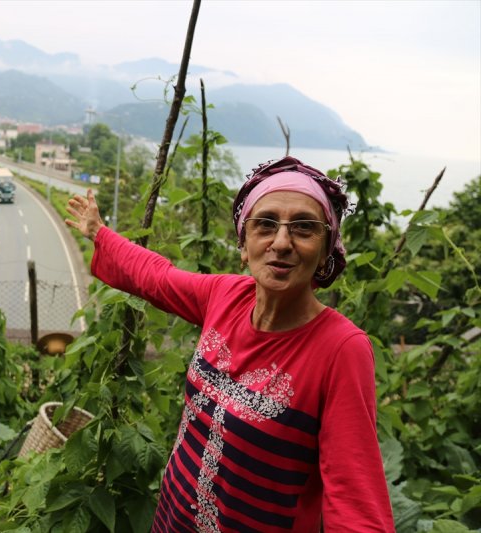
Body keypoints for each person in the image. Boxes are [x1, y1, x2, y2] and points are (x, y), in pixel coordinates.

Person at [65, 156, 394, 532]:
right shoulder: (226, 296)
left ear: (325, 250)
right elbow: (156, 278)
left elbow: (355, 501)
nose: (282, 242)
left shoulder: (340, 350)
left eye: (304, 228)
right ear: (244, 243)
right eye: (265, 224)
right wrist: (99, 233)